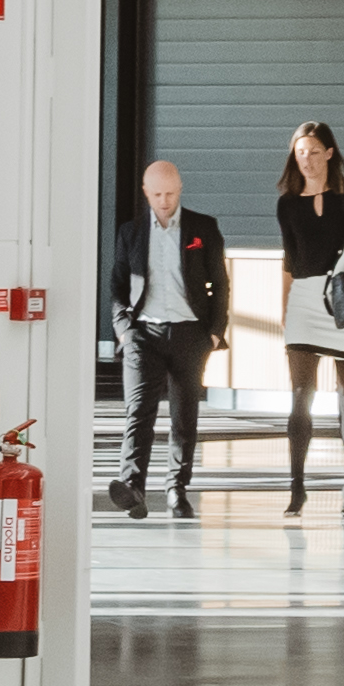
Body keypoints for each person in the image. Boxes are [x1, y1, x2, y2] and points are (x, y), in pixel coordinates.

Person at [112, 156, 228, 517]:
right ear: (146, 193)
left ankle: (177, 489)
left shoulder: (202, 228)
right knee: (138, 413)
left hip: (190, 332)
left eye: (171, 193)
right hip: (143, 333)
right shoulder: (131, 233)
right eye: (158, 194)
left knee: (184, 415)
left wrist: (213, 333)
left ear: (180, 190)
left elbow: (220, 283)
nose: (165, 201)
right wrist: (125, 331)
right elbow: (117, 286)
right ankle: (133, 488)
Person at [264, 123, 344, 513]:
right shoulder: (287, 203)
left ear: (329, 153)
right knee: (300, 396)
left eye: (313, 151)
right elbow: (289, 261)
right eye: (300, 151)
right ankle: (297, 485)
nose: (305, 158)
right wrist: (284, 308)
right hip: (305, 300)